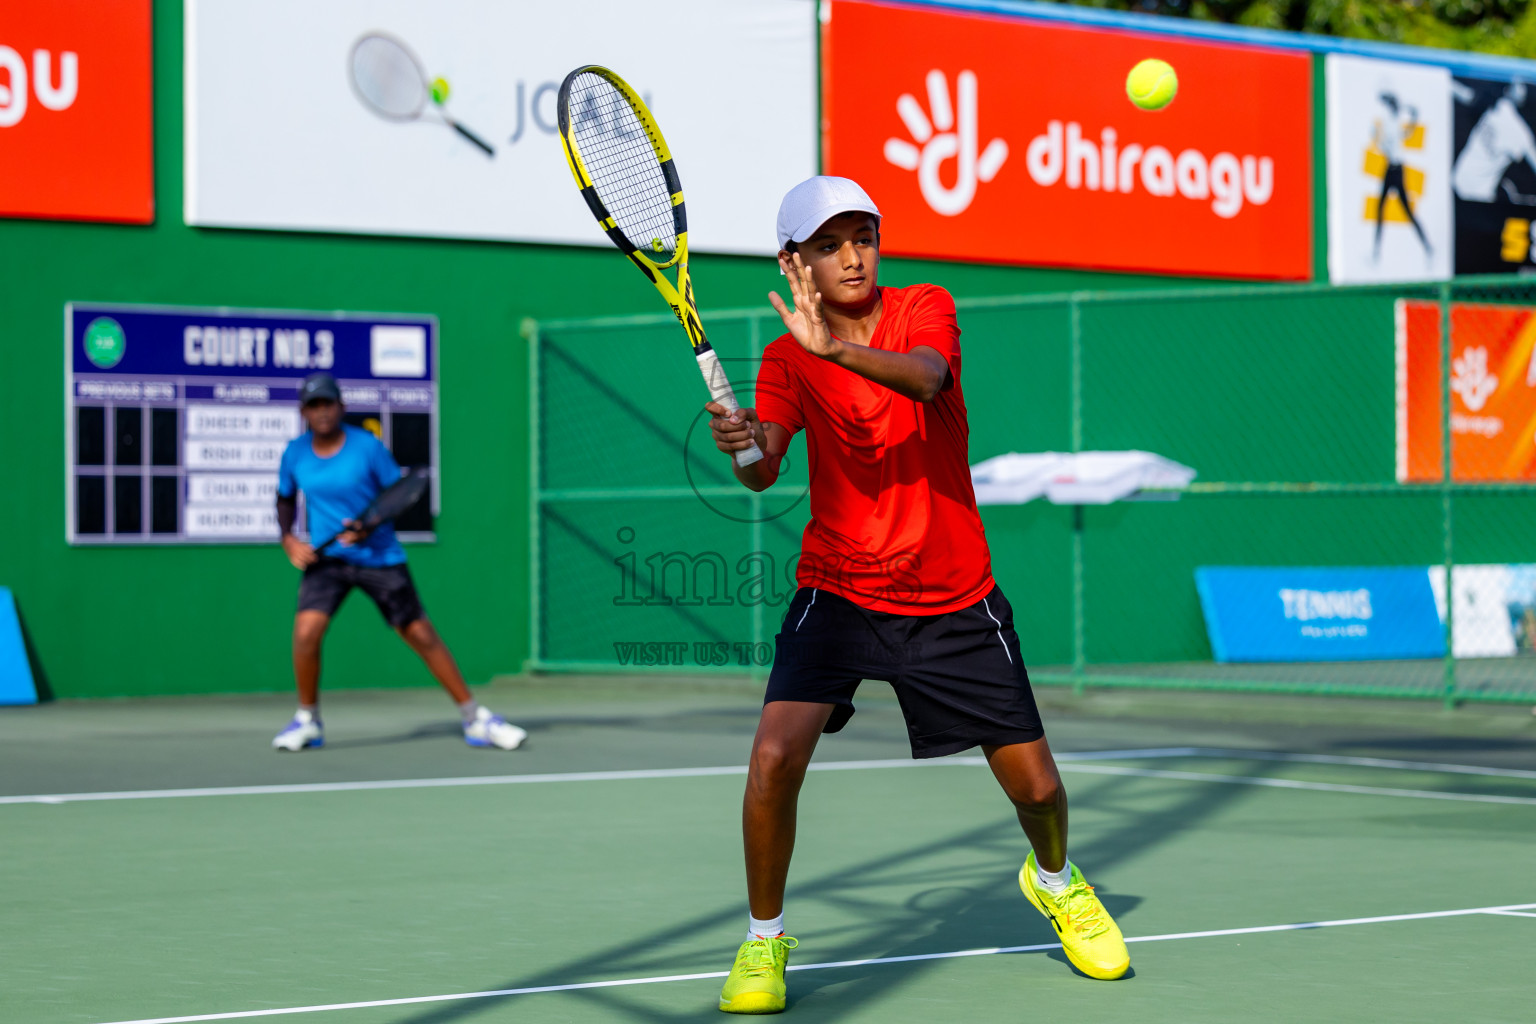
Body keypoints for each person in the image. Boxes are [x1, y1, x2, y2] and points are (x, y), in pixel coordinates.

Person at [706, 177, 1129, 1014]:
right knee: (771, 760)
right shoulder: (786, 355)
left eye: (862, 235)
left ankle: (1056, 881)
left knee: (1039, 790)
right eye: (828, 245)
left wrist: (837, 351)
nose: (852, 255)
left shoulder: (924, 307)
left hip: (952, 593)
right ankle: (763, 942)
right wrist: (742, 441)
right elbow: (763, 473)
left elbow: (928, 380)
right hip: (841, 586)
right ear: (795, 264)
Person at [271, 372, 525, 752]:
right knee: (306, 633)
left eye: (327, 403)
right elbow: (285, 498)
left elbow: (401, 493)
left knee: (420, 634)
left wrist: (368, 526)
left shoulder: (367, 447)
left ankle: (475, 718)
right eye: (313, 405)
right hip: (328, 560)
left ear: (340, 407)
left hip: (379, 557)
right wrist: (289, 539)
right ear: (304, 411)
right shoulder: (295, 453)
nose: (321, 412)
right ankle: (308, 720)